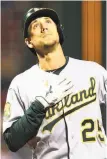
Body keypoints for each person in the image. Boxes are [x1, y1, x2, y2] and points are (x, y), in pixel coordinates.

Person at [3, 7, 107, 159]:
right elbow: (12, 140)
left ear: (58, 31)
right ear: (29, 41)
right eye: (35, 25)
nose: (43, 26)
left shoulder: (93, 71)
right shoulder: (21, 84)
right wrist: (40, 105)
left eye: (48, 21)